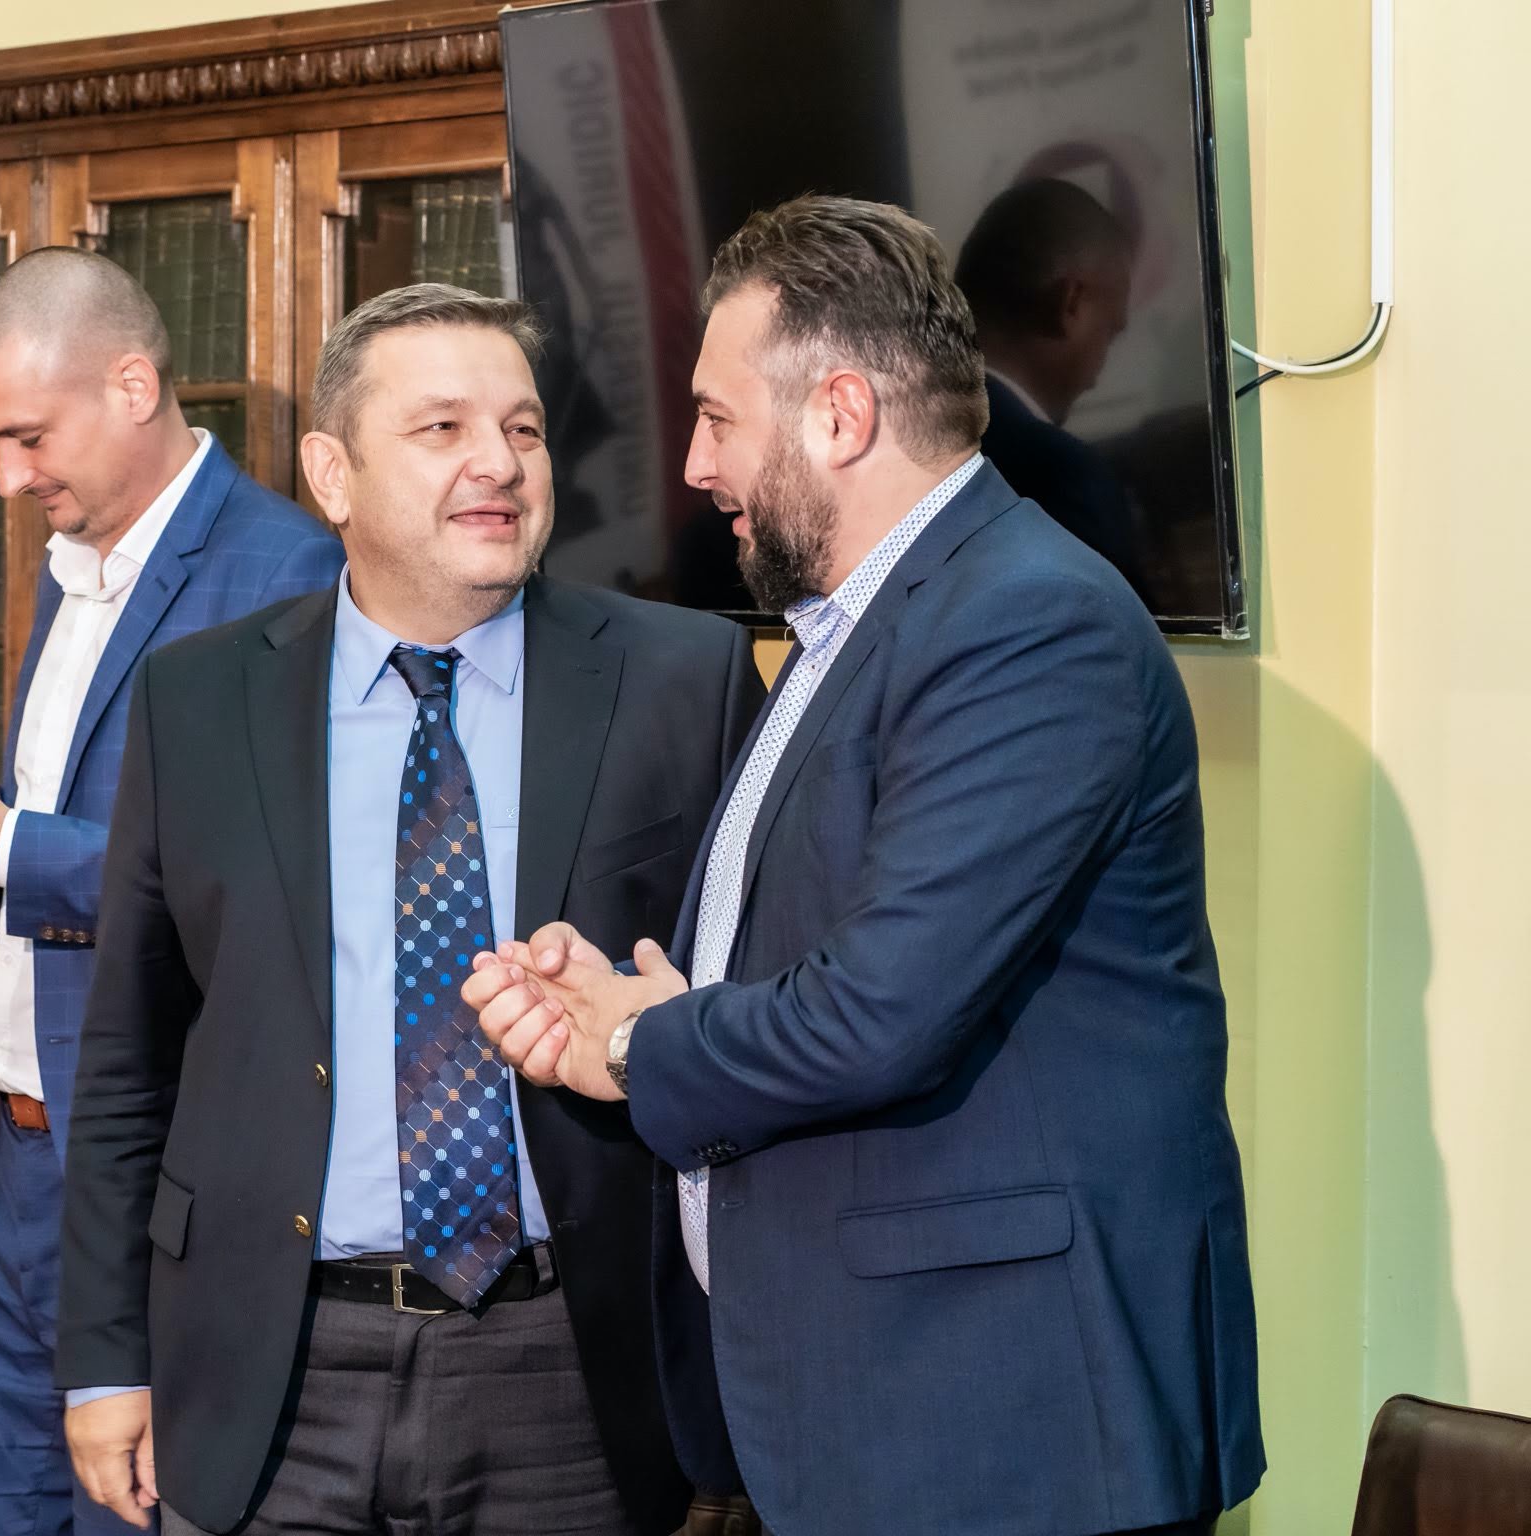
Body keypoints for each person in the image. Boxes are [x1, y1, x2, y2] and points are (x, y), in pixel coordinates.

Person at [466, 195, 1265, 1536]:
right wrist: (637, 999)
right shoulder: (862, 621)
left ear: (839, 416)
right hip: (892, 1409)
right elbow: (827, 949)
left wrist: (638, 1045)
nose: (695, 466)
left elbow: (882, 1009)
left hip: (1012, 1432)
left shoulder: (1029, 623)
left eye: (717, 419)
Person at [55, 282, 766, 1536]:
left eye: (524, 429)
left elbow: (765, 1006)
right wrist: (107, 1359)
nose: (500, 463)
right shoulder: (200, 702)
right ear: (332, 474)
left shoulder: (683, 678)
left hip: (572, 1372)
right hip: (270, 1366)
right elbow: (128, 1060)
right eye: (443, 429)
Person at [0, 246, 344, 1534]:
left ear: (132, 385)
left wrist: (9, 852)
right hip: (11, 1158)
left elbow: (259, 881)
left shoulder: (286, 572)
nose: (8, 480)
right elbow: (94, 814)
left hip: (148, 1173)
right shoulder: (70, 567)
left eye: (26, 438)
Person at [953, 177, 1153, 602]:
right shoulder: (1065, 476)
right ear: (1071, 304)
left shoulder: (890, 447)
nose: (1096, 378)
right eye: (1108, 333)